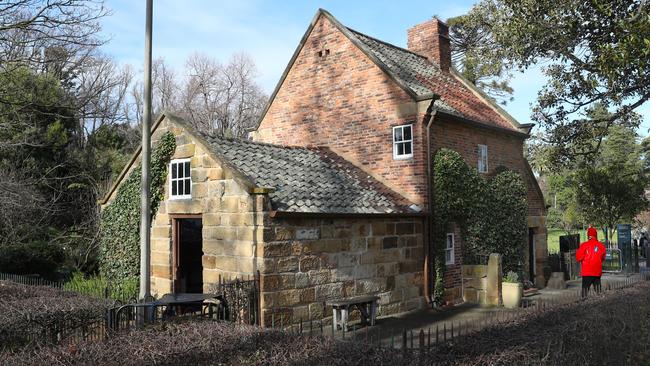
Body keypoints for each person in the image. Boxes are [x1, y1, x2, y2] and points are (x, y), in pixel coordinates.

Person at [576, 227, 607, 297]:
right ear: (596, 235)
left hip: (587, 272)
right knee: (598, 292)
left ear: (588, 235)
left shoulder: (584, 245)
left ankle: (584, 305)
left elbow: (578, 258)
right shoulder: (601, 246)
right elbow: (603, 257)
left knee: (584, 293)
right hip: (597, 271)